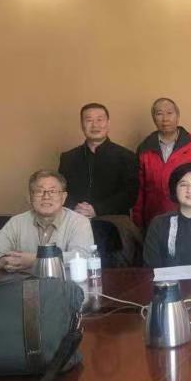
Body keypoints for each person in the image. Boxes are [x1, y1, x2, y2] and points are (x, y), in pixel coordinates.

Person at [58, 102, 141, 264]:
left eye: (100, 119)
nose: (95, 125)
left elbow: (130, 194)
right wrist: (77, 208)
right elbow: (61, 190)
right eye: (89, 120)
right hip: (75, 222)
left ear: (108, 123)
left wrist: (96, 209)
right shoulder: (68, 158)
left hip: (114, 227)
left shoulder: (126, 156)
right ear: (82, 124)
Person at [0, 170, 94, 271]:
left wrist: (36, 260)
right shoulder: (17, 222)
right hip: (24, 287)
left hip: (65, 288)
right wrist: (2, 261)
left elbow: (84, 257)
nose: (46, 197)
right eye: (39, 191)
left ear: (63, 197)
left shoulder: (79, 222)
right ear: (30, 198)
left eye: (52, 191)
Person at [134, 97, 191, 231]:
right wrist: (137, 224)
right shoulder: (144, 149)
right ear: (154, 119)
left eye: (170, 113)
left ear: (177, 116)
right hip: (155, 221)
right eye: (159, 114)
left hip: (189, 220)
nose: (165, 119)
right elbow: (138, 191)